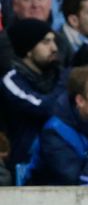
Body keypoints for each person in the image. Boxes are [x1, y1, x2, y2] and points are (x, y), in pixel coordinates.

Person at [1, 19, 68, 170]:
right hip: (26, 164)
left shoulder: (58, 75)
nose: (54, 48)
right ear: (28, 50)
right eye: (46, 42)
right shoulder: (11, 80)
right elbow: (45, 108)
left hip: (62, 158)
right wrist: (66, 81)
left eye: (53, 41)